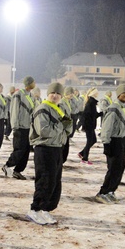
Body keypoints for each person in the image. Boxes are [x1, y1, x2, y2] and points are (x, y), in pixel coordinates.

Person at [27, 82, 72, 225]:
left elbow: (69, 129)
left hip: (56, 148)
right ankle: (35, 209)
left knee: (54, 181)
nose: (55, 95)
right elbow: (44, 130)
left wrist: (65, 129)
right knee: (45, 180)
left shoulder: (59, 109)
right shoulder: (43, 108)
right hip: (44, 148)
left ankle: (45, 209)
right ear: (48, 94)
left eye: (58, 93)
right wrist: (60, 126)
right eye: (53, 93)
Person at [94, 84, 125, 203]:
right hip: (113, 141)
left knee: (120, 167)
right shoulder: (114, 108)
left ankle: (111, 190)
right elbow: (107, 127)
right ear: (118, 94)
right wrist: (106, 143)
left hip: (120, 140)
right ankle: (103, 192)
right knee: (113, 168)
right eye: (123, 93)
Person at [3, 75, 37, 180]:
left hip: (28, 127)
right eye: (33, 82)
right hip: (20, 127)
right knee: (19, 149)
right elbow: (13, 111)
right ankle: (7, 165)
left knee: (26, 151)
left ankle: (18, 170)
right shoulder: (18, 95)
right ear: (29, 83)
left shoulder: (31, 96)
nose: (34, 84)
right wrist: (15, 126)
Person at [78, 88, 99, 164]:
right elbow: (87, 115)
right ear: (93, 93)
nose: (98, 94)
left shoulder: (92, 102)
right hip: (89, 125)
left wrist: (102, 113)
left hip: (90, 125)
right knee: (90, 141)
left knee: (93, 140)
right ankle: (85, 158)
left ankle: (82, 153)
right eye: (96, 92)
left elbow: (93, 115)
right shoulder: (91, 102)